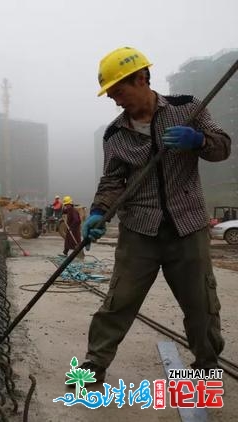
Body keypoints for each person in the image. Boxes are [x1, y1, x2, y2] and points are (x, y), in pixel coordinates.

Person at [77, 47, 231, 383]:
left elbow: (223, 146)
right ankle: (93, 365)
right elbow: (112, 180)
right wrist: (98, 212)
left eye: (120, 91)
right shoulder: (115, 134)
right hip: (139, 232)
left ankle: (206, 363)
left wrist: (199, 140)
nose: (116, 101)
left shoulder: (187, 108)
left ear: (142, 79)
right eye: (112, 95)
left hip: (187, 226)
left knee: (201, 304)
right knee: (118, 302)